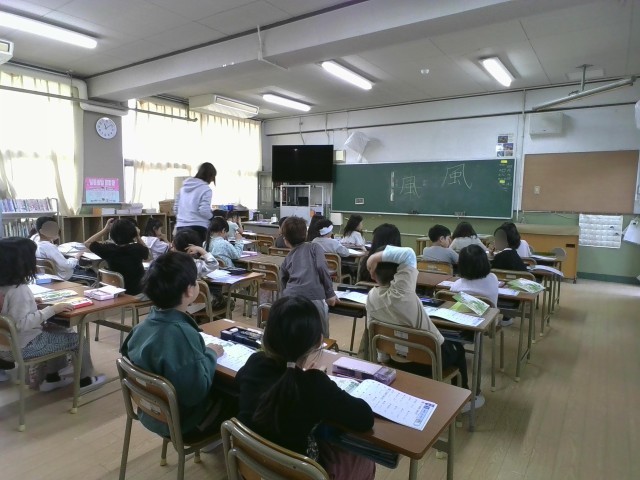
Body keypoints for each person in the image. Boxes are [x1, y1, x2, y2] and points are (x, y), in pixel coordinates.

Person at [236, 296, 375, 479]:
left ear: (267, 335)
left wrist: (303, 375)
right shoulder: (314, 384)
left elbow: (241, 381)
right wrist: (314, 377)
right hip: (297, 472)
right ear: (318, 342)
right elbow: (365, 418)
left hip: (251, 464)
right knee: (363, 460)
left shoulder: (255, 362)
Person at [121, 251, 234, 437]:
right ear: (189, 290)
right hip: (183, 423)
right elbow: (196, 392)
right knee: (237, 395)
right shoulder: (183, 334)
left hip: (150, 413)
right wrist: (211, 353)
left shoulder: (140, 328)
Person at [365, 245, 480, 409]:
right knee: (458, 349)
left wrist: (384, 361)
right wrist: (373, 258)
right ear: (401, 273)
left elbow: (373, 329)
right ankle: (464, 401)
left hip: (397, 361)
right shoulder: (402, 293)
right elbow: (408, 254)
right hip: (430, 360)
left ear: (373, 275)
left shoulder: (371, 297)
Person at [0, 237, 106, 392]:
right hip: (24, 347)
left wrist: (31, 302)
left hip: (4, 348)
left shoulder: (5, 287)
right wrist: (52, 310)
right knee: (78, 339)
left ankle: (52, 379)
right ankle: (85, 381)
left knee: (56, 330)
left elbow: (9, 312)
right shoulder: (19, 290)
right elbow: (21, 324)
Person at [280, 217, 337, 337]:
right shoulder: (315, 247)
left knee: (297, 335)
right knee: (322, 336)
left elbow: (283, 279)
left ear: (285, 240)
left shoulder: (287, 258)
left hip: (291, 298)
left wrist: (286, 296)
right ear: (306, 234)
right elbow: (322, 268)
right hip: (314, 297)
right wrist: (330, 293)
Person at [85, 218, 149, 295]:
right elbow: (147, 255)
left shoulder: (108, 249)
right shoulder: (137, 248)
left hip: (115, 292)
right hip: (137, 292)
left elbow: (87, 243)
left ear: (112, 234)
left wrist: (105, 230)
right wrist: (138, 236)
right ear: (133, 233)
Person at [34, 218, 95, 282]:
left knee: (85, 268)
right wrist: (76, 257)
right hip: (64, 276)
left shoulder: (37, 244)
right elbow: (66, 265)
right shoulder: (49, 247)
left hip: (50, 276)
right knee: (95, 277)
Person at [174, 162, 216, 245]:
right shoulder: (206, 189)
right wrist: (212, 217)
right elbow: (204, 210)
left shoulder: (183, 188)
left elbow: (176, 209)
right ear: (210, 176)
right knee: (198, 252)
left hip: (180, 227)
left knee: (182, 253)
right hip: (198, 228)